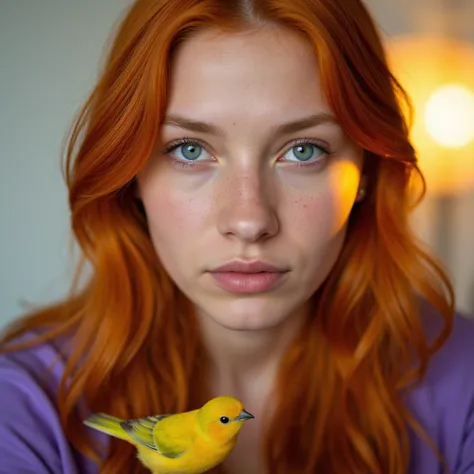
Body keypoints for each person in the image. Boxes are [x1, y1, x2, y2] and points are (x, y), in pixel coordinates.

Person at [1, 0, 473, 473]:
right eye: (189, 149)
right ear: (131, 175)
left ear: (367, 169)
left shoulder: (464, 381)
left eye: (304, 150)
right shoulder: (24, 409)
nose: (249, 221)